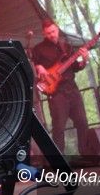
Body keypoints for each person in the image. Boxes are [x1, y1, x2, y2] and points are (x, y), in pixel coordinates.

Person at [32, 18, 90, 156]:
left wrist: (85, 59)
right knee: (59, 127)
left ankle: (86, 154)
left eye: (53, 31)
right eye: (48, 33)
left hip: (72, 89)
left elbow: (76, 67)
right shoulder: (38, 49)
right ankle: (59, 159)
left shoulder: (67, 46)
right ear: (44, 33)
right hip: (57, 92)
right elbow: (35, 64)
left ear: (57, 29)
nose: (51, 35)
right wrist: (39, 67)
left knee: (82, 122)